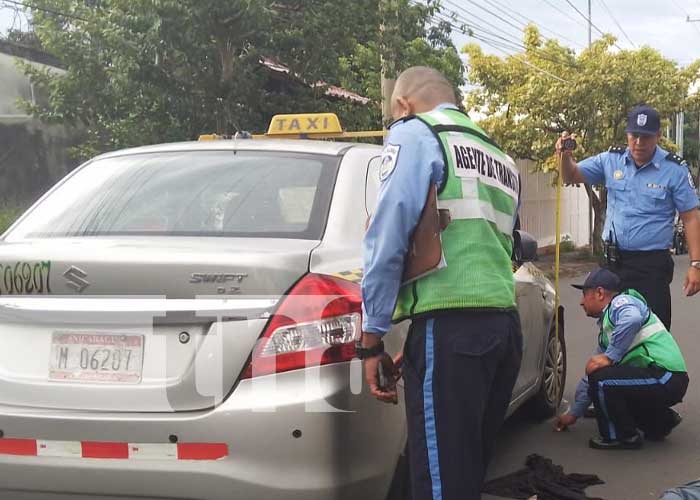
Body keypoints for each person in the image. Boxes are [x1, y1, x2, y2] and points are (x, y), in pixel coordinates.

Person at [358, 66, 522, 500]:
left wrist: (371, 338)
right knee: (462, 475)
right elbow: (496, 248)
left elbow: (387, 234)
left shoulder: (416, 132)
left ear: (402, 105)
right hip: (502, 329)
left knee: (439, 485)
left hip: (451, 334)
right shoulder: (498, 155)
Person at [557, 105, 700, 329]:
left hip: (650, 267)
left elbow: (691, 217)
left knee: (652, 334)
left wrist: (696, 265)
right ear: (627, 134)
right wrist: (564, 157)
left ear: (658, 136)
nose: (639, 143)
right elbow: (570, 175)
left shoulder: (674, 169)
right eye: (634, 136)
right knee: (612, 333)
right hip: (613, 266)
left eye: (646, 137)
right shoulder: (610, 160)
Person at [556, 268, 689, 450]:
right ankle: (660, 421)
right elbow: (590, 376)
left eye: (584, 294)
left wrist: (610, 357)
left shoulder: (621, 303)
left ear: (600, 293)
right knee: (599, 376)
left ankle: (621, 437)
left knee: (602, 381)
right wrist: (574, 413)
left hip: (666, 376)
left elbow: (632, 319)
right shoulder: (609, 330)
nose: (581, 302)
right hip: (662, 379)